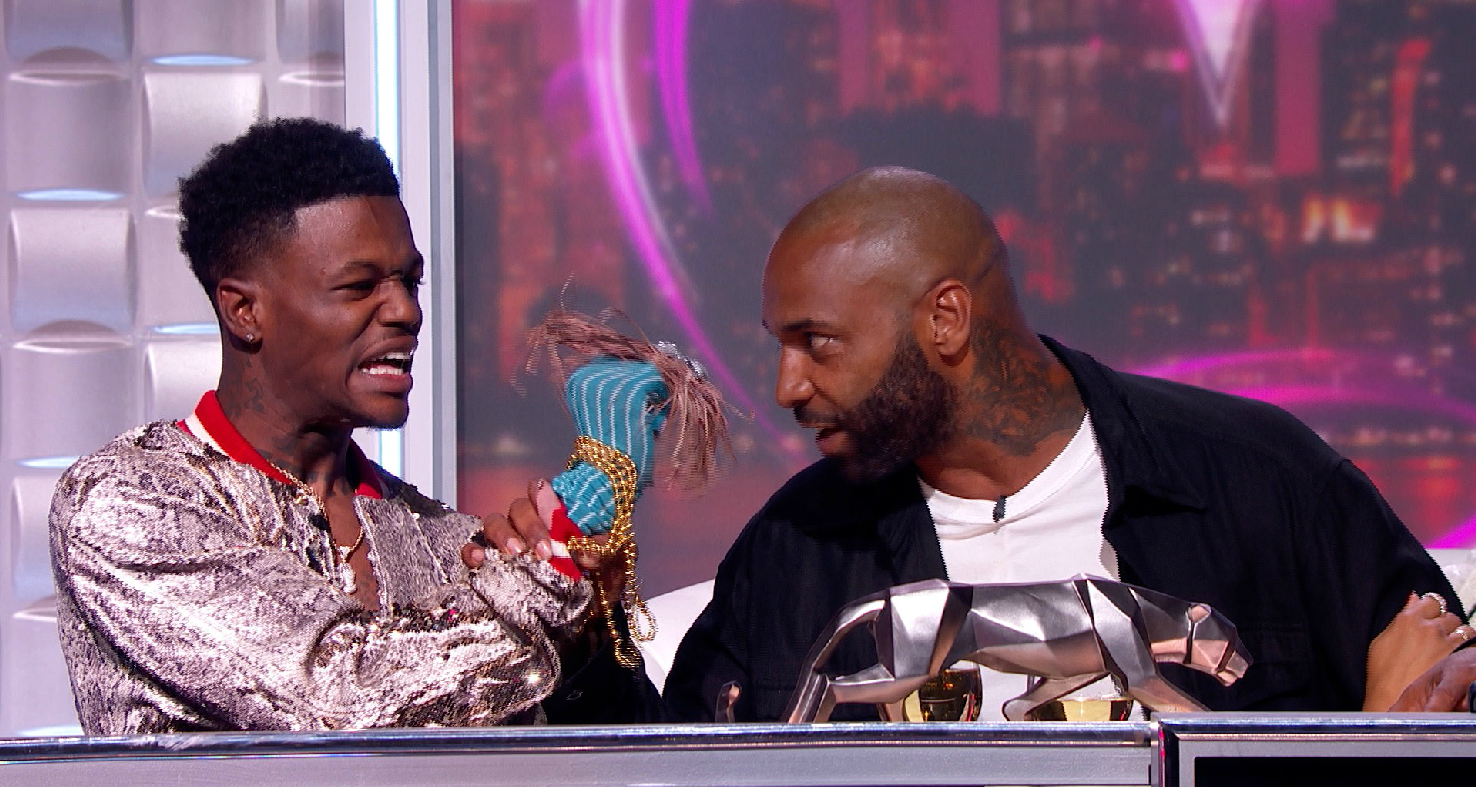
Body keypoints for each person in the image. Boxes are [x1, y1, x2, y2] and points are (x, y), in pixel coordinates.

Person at [653, 166, 1464, 722]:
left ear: (945, 319)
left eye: (817, 341)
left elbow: (1446, 701)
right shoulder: (791, 550)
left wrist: (1388, 747)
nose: (786, 385)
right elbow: (666, 768)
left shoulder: (1267, 487)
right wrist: (594, 623)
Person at [49, 118, 656, 734]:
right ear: (244, 310)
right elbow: (335, 695)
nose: (406, 311)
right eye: (359, 286)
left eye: (410, 282)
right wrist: (548, 583)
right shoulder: (127, 504)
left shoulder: (447, 538)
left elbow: (615, 747)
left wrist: (592, 628)